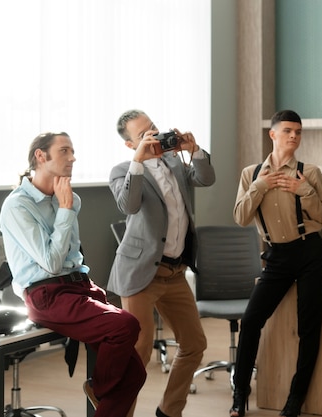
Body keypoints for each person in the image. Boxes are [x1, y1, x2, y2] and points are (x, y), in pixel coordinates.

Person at [0, 132, 146, 417]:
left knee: (136, 375)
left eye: (73, 151)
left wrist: (66, 206)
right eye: (64, 151)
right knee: (124, 325)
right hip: (46, 295)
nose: (73, 158)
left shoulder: (68, 198)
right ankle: (100, 388)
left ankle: (101, 390)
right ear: (41, 157)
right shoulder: (18, 206)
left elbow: (71, 256)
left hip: (79, 287)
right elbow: (52, 264)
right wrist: (65, 210)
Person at [108, 109, 216, 417]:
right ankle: (118, 412)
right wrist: (139, 162)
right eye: (144, 135)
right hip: (141, 273)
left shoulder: (174, 162)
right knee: (139, 351)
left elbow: (206, 178)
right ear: (131, 144)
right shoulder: (122, 170)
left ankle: (169, 411)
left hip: (175, 271)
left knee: (194, 344)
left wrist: (193, 150)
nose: (153, 136)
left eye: (153, 128)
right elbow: (128, 204)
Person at [232, 109, 322, 417]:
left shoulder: (308, 172)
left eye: (298, 132)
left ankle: (295, 399)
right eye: (287, 130)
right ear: (272, 134)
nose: (294, 136)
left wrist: (304, 191)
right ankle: (240, 395)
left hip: (310, 252)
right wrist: (260, 186)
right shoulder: (251, 173)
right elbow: (240, 217)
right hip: (276, 256)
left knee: (308, 328)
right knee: (250, 322)